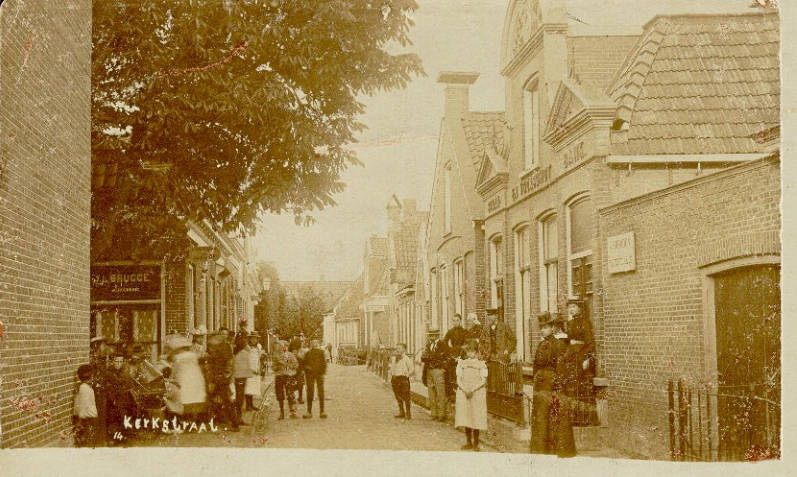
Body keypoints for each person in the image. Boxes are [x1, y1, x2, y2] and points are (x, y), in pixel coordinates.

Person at [530, 312, 567, 454]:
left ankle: (552, 450)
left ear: (552, 328)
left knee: (551, 418)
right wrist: (535, 379)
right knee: (540, 418)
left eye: (545, 327)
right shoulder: (541, 344)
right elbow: (535, 366)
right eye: (541, 328)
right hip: (540, 386)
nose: (542, 330)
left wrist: (556, 389)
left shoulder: (558, 345)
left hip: (551, 385)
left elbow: (560, 368)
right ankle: (540, 449)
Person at [564, 298, 598, 426]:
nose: (571, 309)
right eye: (569, 307)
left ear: (579, 308)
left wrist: (587, 359)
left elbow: (590, 343)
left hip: (581, 357)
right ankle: (574, 418)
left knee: (582, 387)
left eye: (573, 306)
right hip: (571, 357)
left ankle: (585, 419)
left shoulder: (585, 323)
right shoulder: (569, 323)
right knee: (572, 387)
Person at [455, 339, 488, 451]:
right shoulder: (461, 363)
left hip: (476, 393)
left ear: (476, 352)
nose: (470, 354)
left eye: (473, 351)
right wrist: (465, 389)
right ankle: (468, 441)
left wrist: (472, 390)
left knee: (476, 416)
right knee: (466, 416)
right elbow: (458, 379)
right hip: (464, 392)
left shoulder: (481, 364)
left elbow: (483, 380)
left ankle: (476, 443)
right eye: (468, 351)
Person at [167, 334, 207, 419]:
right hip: (196, 380)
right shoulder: (193, 355)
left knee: (184, 400)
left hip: (184, 381)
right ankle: (193, 419)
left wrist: (170, 379)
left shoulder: (177, 358)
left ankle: (185, 419)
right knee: (195, 400)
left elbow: (174, 371)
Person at [207, 331, 239, 431]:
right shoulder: (217, 347)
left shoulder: (224, 348)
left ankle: (234, 424)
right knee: (214, 399)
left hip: (221, 379)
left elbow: (229, 363)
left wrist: (224, 375)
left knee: (226, 400)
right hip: (217, 377)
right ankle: (216, 421)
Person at [421, 330, 449, 421]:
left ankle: (441, 415)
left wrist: (443, 369)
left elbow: (447, 357)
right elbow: (424, 357)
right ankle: (434, 414)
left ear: (436, 335)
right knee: (431, 392)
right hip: (429, 370)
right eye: (430, 335)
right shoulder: (428, 345)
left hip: (438, 370)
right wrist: (424, 357)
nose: (430, 337)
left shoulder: (442, 344)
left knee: (440, 393)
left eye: (432, 335)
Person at [272, 340, 299, 419]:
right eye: (280, 346)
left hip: (288, 376)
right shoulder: (276, 356)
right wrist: (277, 366)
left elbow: (296, 364)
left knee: (290, 394)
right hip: (279, 376)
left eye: (284, 346)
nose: (282, 348)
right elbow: (273, 367)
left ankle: (292, 412)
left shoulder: (290, 355)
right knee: (280, 395)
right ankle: (282, 412)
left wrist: (290, 366)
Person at [73, 364, 98, 447]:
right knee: (87, 443)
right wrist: (80, 422)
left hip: (88, 419)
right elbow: (83, 406)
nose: (93, 377)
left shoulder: (85, 386)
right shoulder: (84, 388)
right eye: (92, 375)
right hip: (86, 420)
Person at [303, 340, 328, 419]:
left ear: (317, 345)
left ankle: (321, 411)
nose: (314, 345)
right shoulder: (308, 353)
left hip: (319, 374)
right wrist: (307, 370)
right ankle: (309, 411)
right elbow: (304, 364)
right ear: (311, 345)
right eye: (313, 344)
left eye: (315, 344)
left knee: (320, 393)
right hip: (311, 375)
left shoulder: (321, 353)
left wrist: (322, 373)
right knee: (310, 392)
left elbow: (324, 364)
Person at [233, 334, 253, 426]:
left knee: (237, 397)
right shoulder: (245, 352)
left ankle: (237, 417)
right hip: (241, 378)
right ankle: (238, 418)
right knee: (240, 397)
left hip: (236, 378)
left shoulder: (234, 351)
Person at [390, 343, 414, 420]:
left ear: (404, 349)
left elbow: (412, 369)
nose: (397, 350)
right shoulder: (394, 358)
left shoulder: (407, 359)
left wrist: (407, 375)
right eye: (396, 348)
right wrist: (392, 374)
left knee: (406, 396)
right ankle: (401, 412)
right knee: (398, 396)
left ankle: (408, 413)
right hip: (395, 379)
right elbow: (392, 368)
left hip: (403, 379)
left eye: (399, 348)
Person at [245, 332, 264, 411]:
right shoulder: (247, 348)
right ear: (250, 339)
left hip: (256, 368)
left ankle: (251, 404)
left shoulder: (257, 348)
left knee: (253, 388)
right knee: (248, 388)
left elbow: (258, 358)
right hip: (249, 369)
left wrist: (259, 368)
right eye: (252, 338)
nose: (254, 340)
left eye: (255, 339)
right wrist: (251, 369)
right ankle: (248, 405)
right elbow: (246, 359)